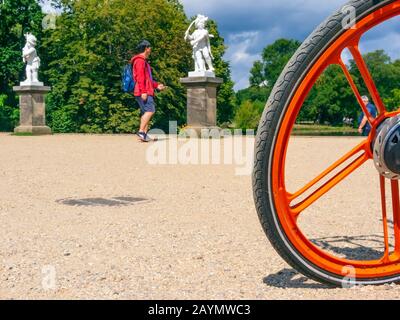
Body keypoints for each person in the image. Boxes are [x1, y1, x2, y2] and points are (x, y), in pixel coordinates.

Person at [131, 40, 165, 142]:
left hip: (144, 89)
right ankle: (141, 131)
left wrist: (156, 85)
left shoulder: (143, 61)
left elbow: (148, 79)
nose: (150, 49)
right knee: (150, 110)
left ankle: (144, 135)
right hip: (143, 91)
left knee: (145, 112)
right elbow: (140, 77)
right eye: (150, 47)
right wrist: (143, 91)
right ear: (146, 48)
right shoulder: (140, 61)